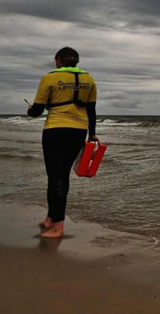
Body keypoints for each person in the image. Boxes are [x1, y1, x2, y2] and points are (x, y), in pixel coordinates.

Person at [27, 47, 98, 238]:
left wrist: (29, 109)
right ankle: (51, 218)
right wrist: (92, 134)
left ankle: (58, 227)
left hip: (55, 130)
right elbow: (91, 109)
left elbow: (37, 111)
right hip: (79, 131)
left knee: (55, 177)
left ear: (58, 60)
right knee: (62, 175)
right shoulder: (89, 79)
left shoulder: (49, 78)